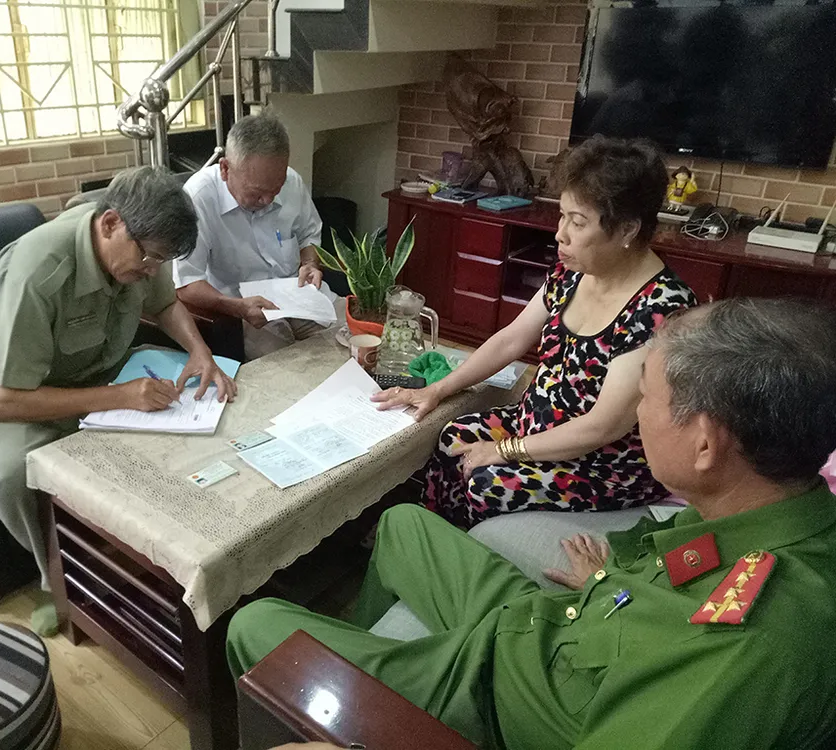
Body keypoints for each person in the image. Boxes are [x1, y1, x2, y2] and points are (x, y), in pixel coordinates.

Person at [228, 297, 836, 749]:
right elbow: (668, 612)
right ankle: (371, 669)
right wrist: (611, 588)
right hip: (560, 623)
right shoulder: (769, 515)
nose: (635, 414)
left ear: (705, 444)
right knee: (403, 523)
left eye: (645, 399)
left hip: (497, 697)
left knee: (254, 623)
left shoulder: (751, 648)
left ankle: (371, 698)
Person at [374, 135, 698, 529]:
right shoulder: (573, 272)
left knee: (489, 482)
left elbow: (604, 425)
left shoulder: (662, 309)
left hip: (599, 463)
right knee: (453, 437)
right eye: (562, 216)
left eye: (578, 222)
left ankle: (470, 550)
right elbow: (511, 339)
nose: (560, 234)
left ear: (628, 229)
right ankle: (435, 536)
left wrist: (506, 450)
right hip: (534, 426)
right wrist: (437, 389)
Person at [0, 165, 236, 635]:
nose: (151, 271)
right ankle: (56, 582)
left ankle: (158, 564)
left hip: (110, 370)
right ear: (110, 223)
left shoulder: (141, 245)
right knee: (9, 474)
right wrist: (121, 397)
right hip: (35, 395)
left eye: (160, 262)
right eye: (149, 260)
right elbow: (4, 400)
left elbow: (164, 304)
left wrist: (201, 352)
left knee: (200, 412)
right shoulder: (37, 270)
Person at [172, 112, 337, 360]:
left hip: (298, 295)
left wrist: (310, 264)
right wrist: (236, 307)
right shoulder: (198, 198)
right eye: (257, 193)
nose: (268, 200)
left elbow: (309, 235)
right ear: (225, 169)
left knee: (349, 342)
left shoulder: (291, 181)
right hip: (240, 307)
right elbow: (186, 284)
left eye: (276, 189)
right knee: (286, 367)